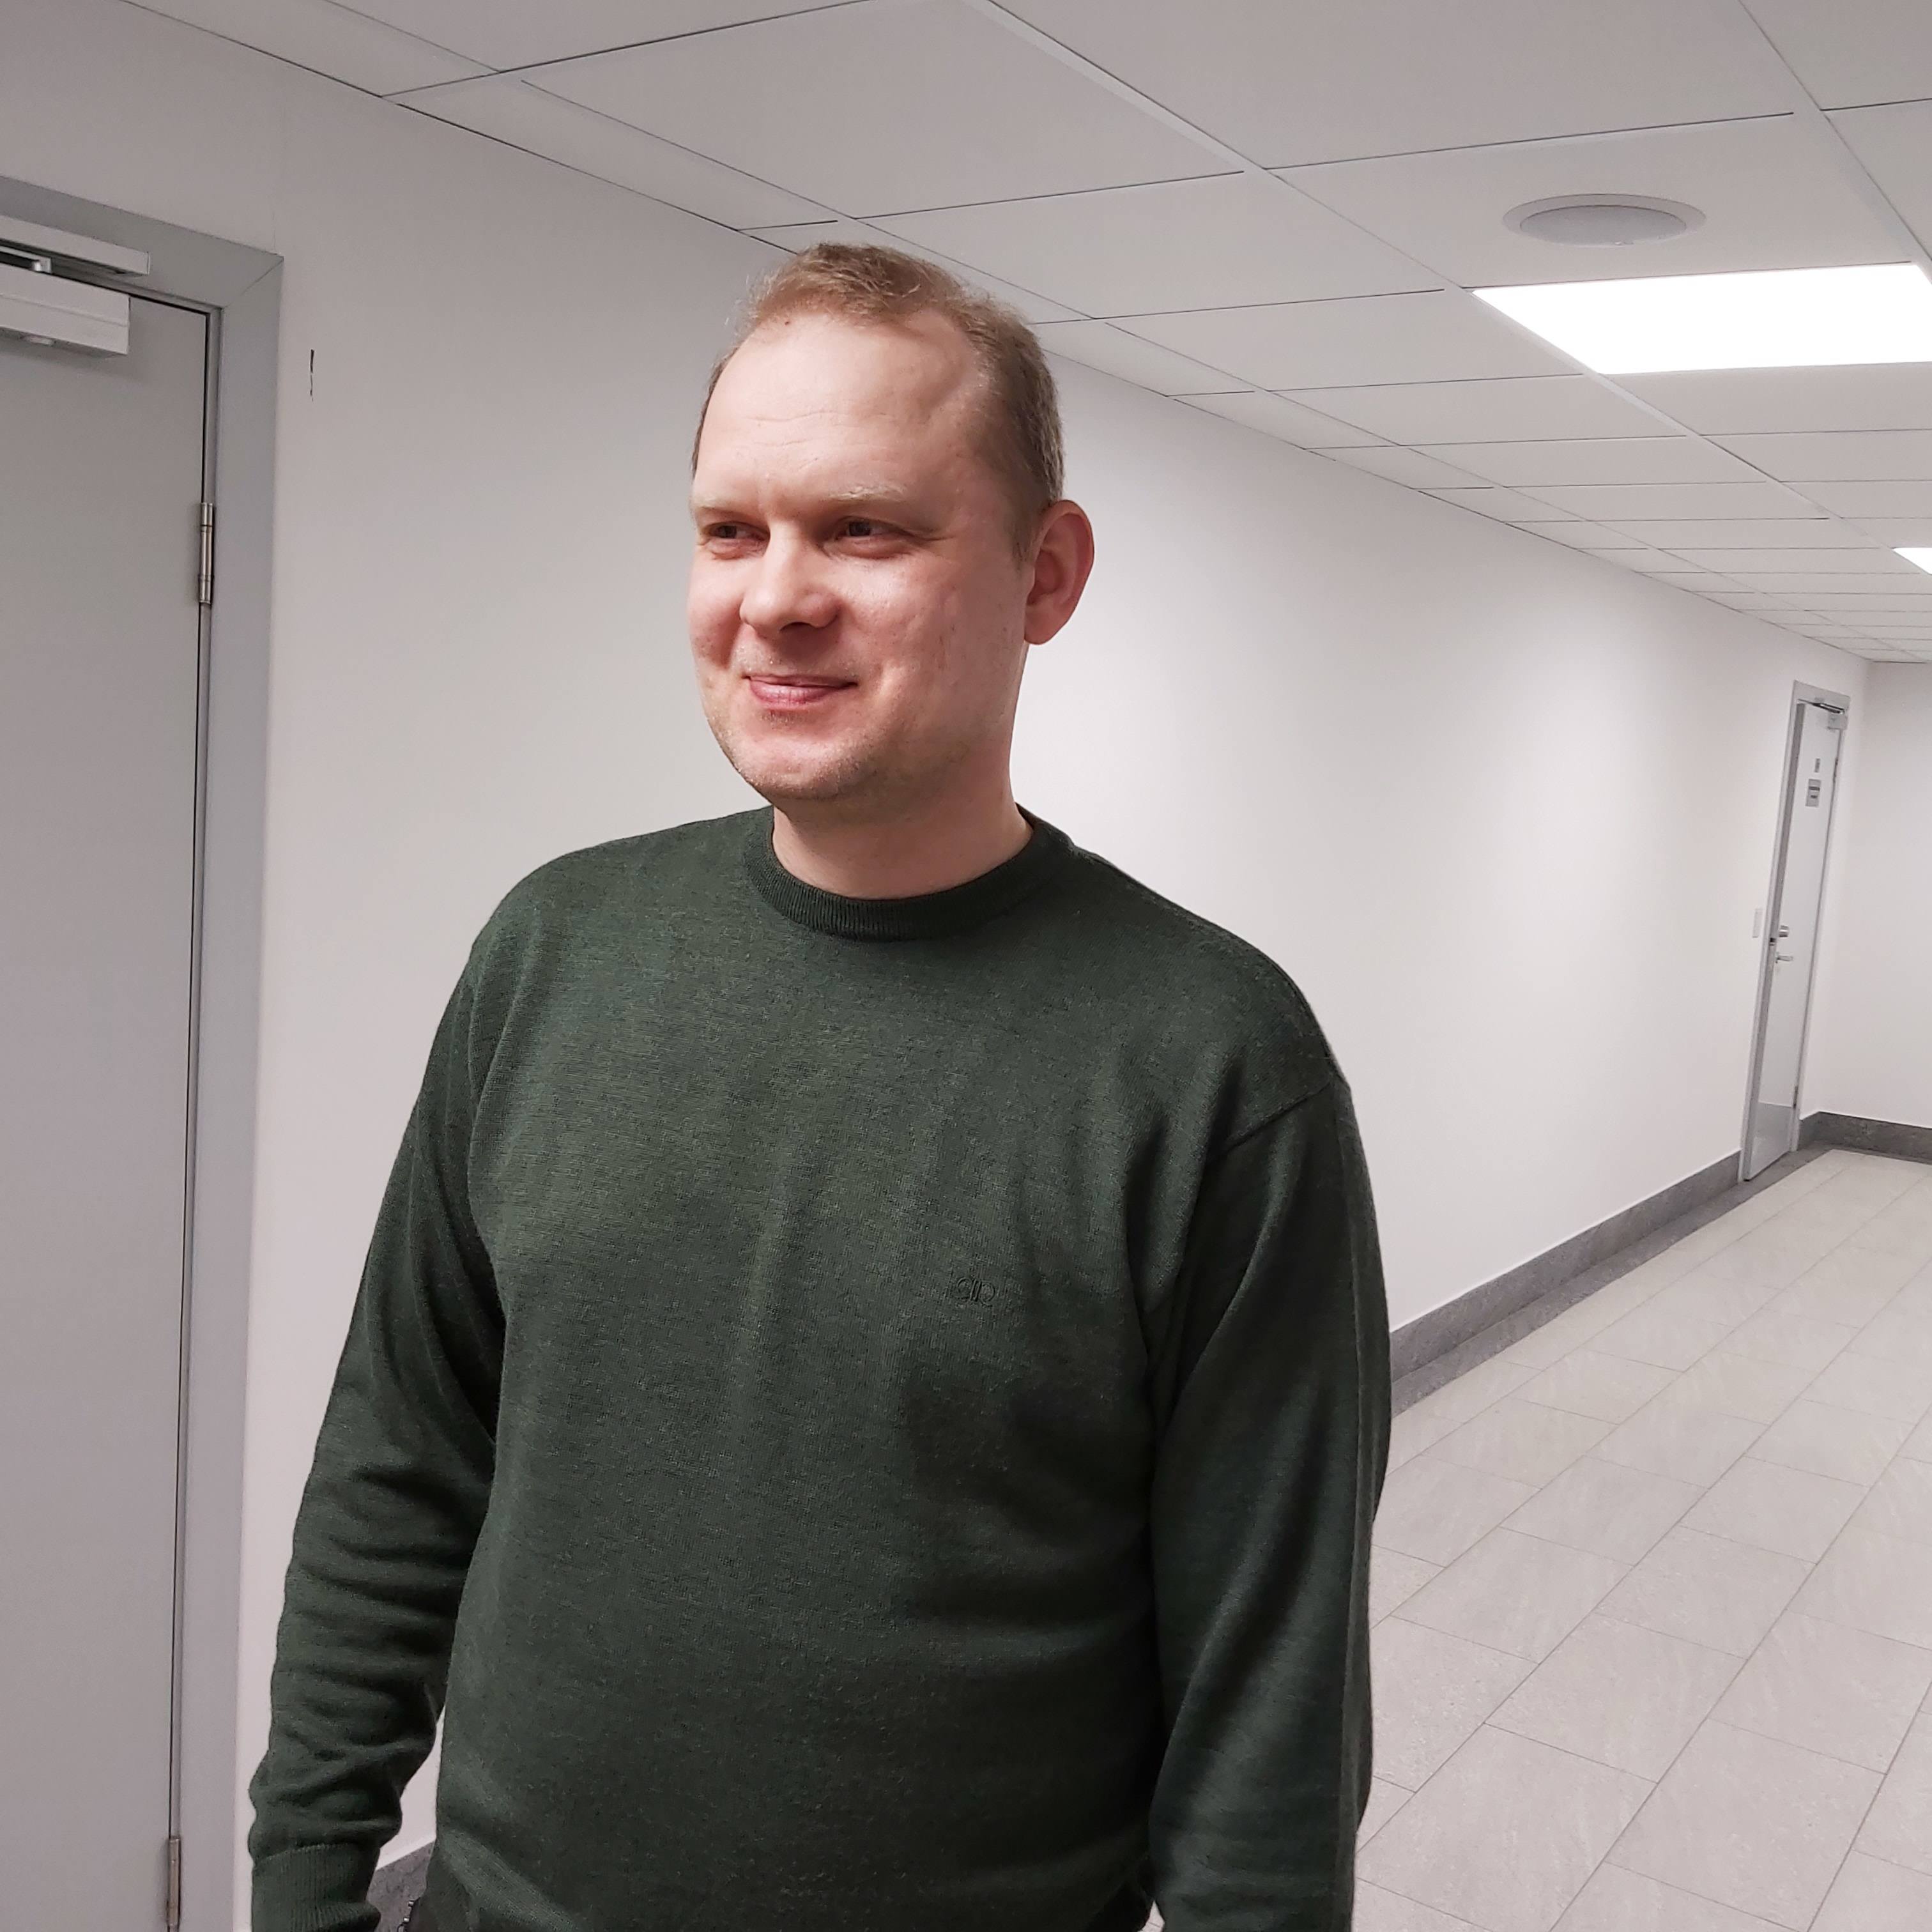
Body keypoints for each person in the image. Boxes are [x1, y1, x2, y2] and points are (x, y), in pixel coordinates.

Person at [248, 241, 1391, 1932]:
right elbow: (399, 1457)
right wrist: (302, 1881)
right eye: (731, 530)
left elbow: (1268, 1708)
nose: (775, 598)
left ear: (1046, 574)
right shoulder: (553, 950)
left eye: (864, 529)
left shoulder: (1213, 1066)